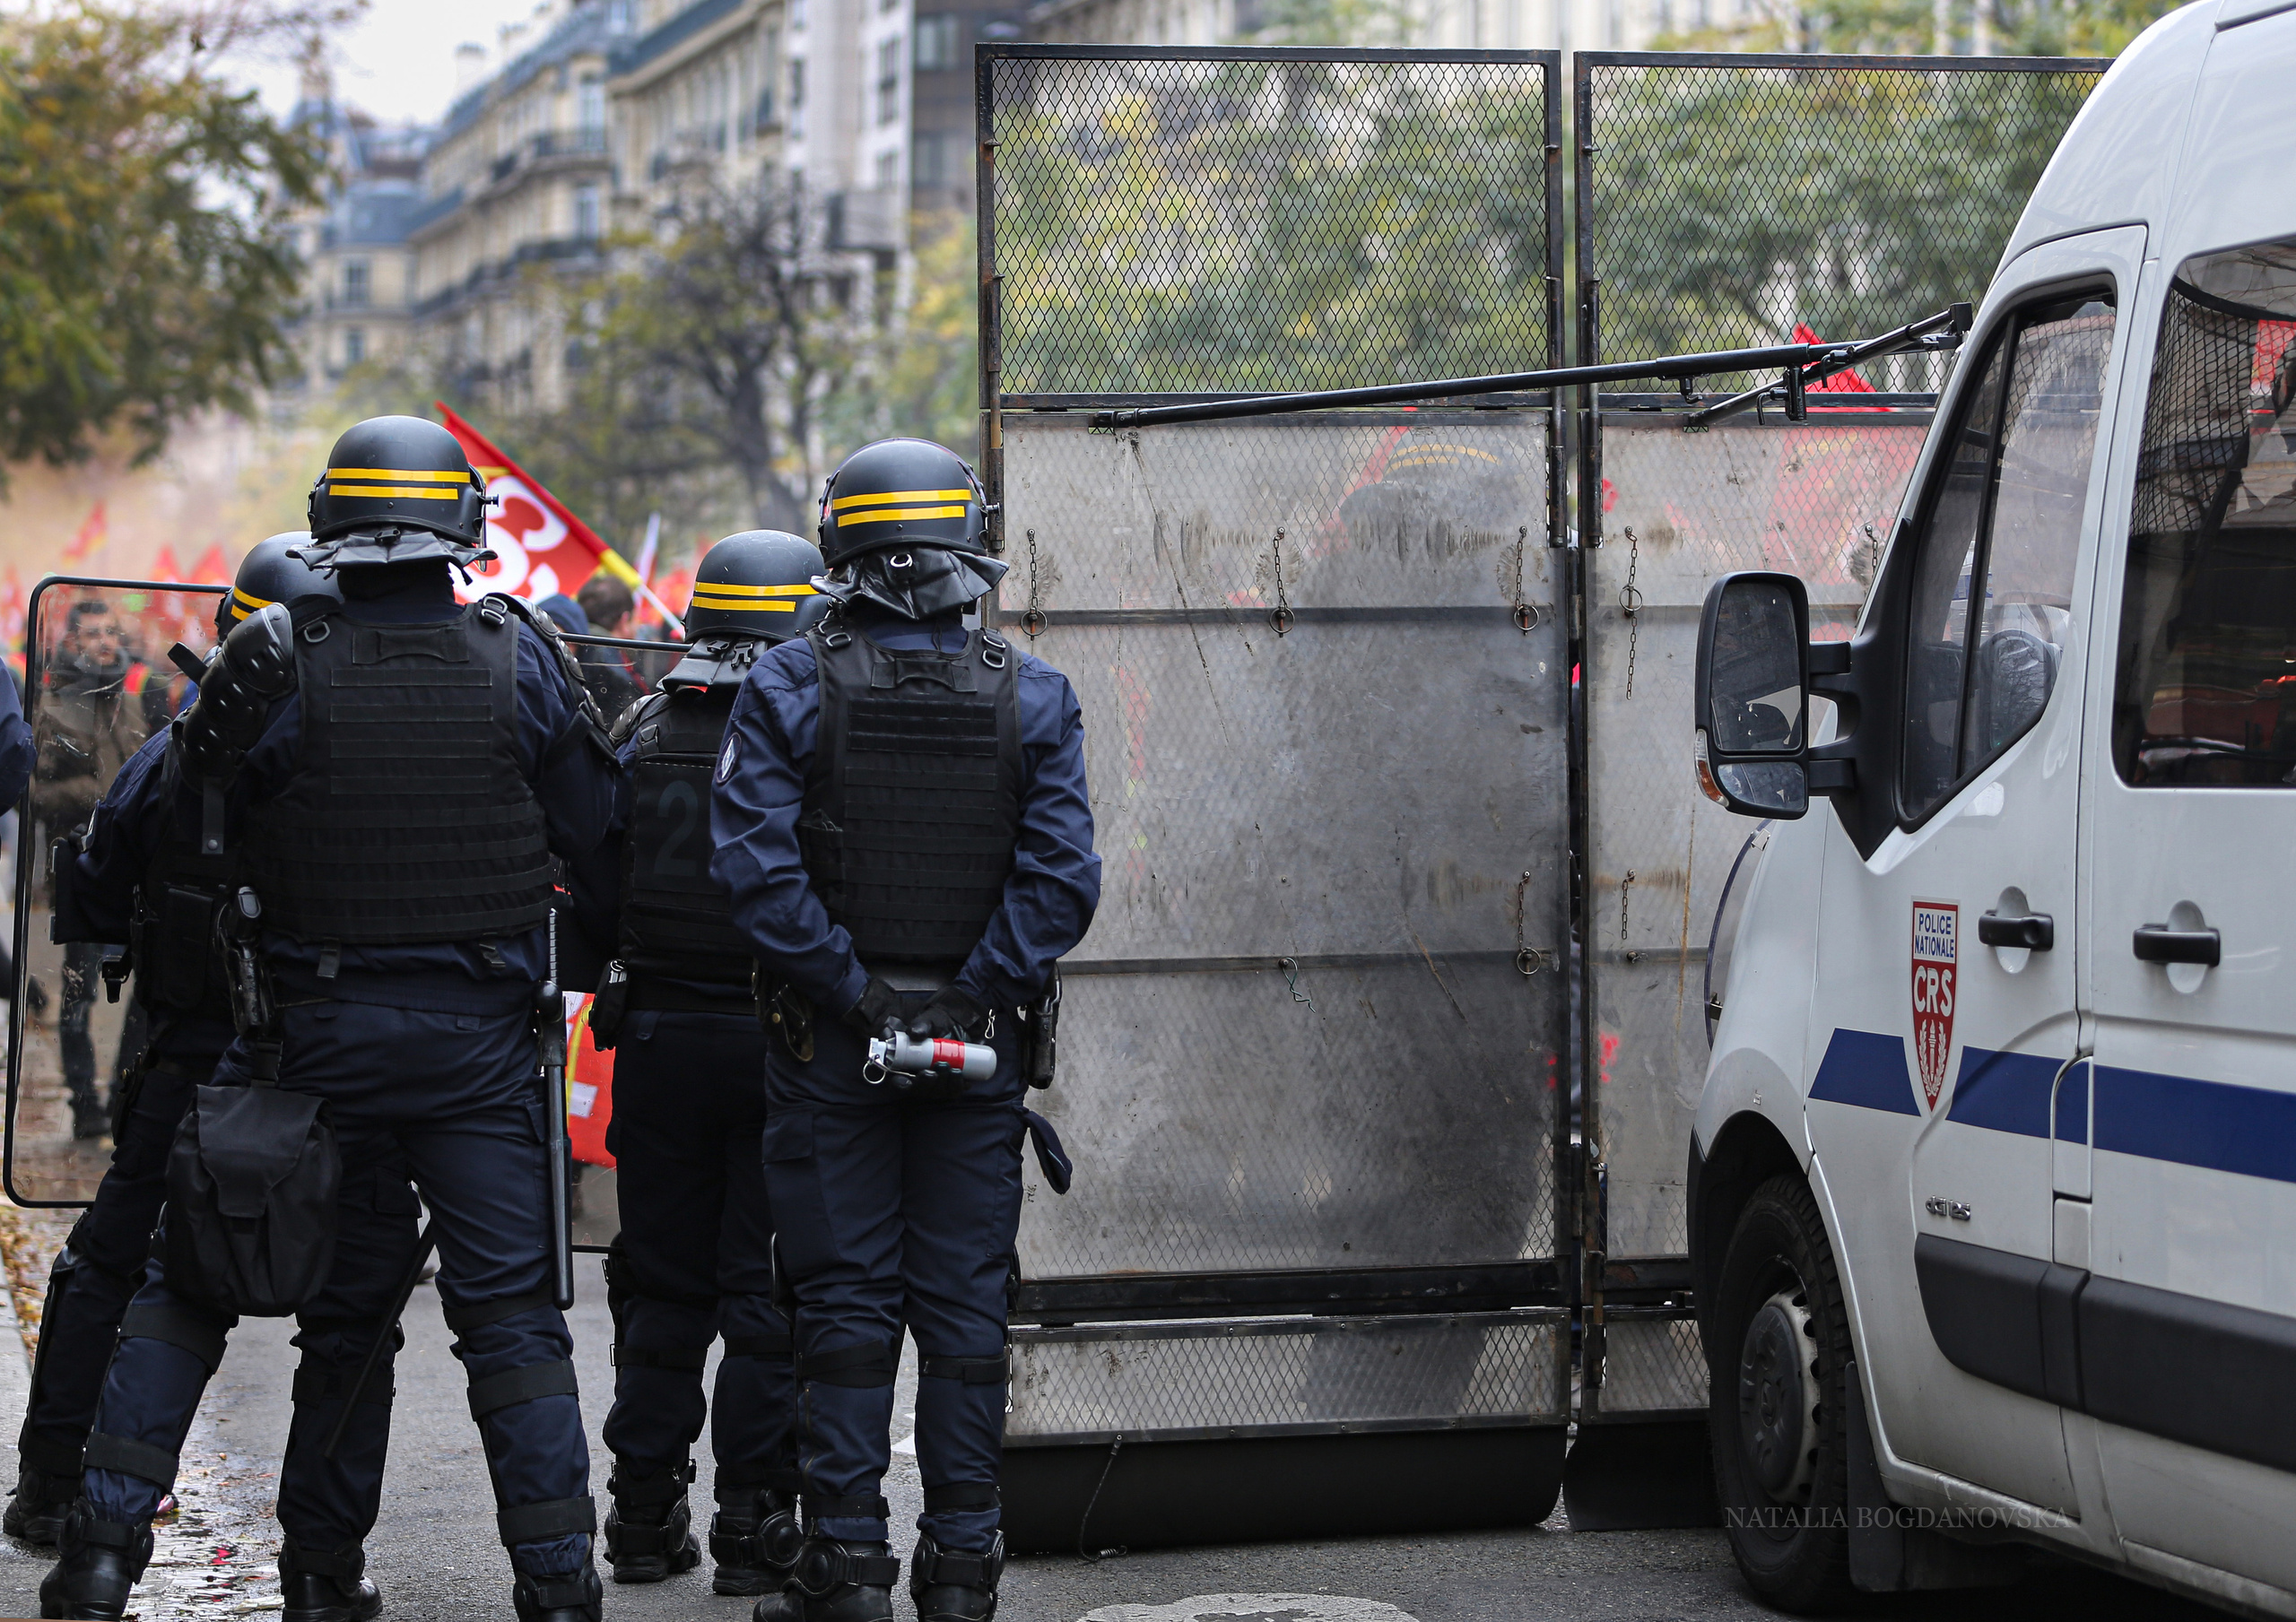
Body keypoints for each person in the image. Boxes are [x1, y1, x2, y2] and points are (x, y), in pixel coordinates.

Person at [39, 417, 622, 1622]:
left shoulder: (267, 659)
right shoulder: (518, 657)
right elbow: (601, 847)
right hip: (474, 1059)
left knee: (194, 1289)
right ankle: (558, 1588)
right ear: (462, 526)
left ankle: (105, 1559)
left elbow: (187, 852)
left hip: (303, 1042)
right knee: (512, 1328)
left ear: (328, 524)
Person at [710, 438, 1100, 1622]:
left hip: (833, 1048)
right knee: (966, 1309)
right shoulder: (1032, 691)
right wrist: (970, 996)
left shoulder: (789, 682)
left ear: (843, 545)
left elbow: (753, 872)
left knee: (843, 1304)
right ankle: (964, 1571)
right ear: (969, 545)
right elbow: (1062, 879)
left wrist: (858, 997)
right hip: (976, 1052)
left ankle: (845, 1570)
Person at [6, 538, 339, 1549]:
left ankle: (59, 1489)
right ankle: (323, 1560)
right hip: (341, 1061)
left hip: (196, 1053)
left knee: (115, 1261)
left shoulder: (176, 752)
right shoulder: (376, 753)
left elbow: (94, 892)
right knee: (352, 1293)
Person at [570, 532, 828, 1594]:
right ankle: (752, 1526)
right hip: (783, 1047)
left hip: (660, 1045)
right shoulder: (820, 730)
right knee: (766, 1291)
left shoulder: (641, 730)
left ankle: (641, 1516)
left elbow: (589, 901)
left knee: (662, 1283)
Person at [33, 602, 155, 1138]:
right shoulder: (56, 705)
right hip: (82, 871)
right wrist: (98, 795)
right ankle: (84, 1105)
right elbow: (35, 793)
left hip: (136, 873)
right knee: (79, 992)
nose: (106, 642)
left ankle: (124, 1098)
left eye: (111, 632)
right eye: (93, 634)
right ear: (72, 643)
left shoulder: (132, 701)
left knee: (146, 993)